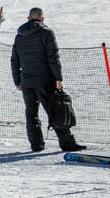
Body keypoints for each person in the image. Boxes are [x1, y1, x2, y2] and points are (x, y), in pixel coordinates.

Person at [10, 8, 86, 153]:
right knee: (55, 110)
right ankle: (67, 143)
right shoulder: (47, 33)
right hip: (44, 79)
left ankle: (36, 144)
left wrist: (17, 81)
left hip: (26, 81)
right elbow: (53, 57)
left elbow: (15, 60)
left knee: (31, 112)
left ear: (28, 19)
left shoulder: (19, 36)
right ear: (42, 19)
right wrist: (58, 78)